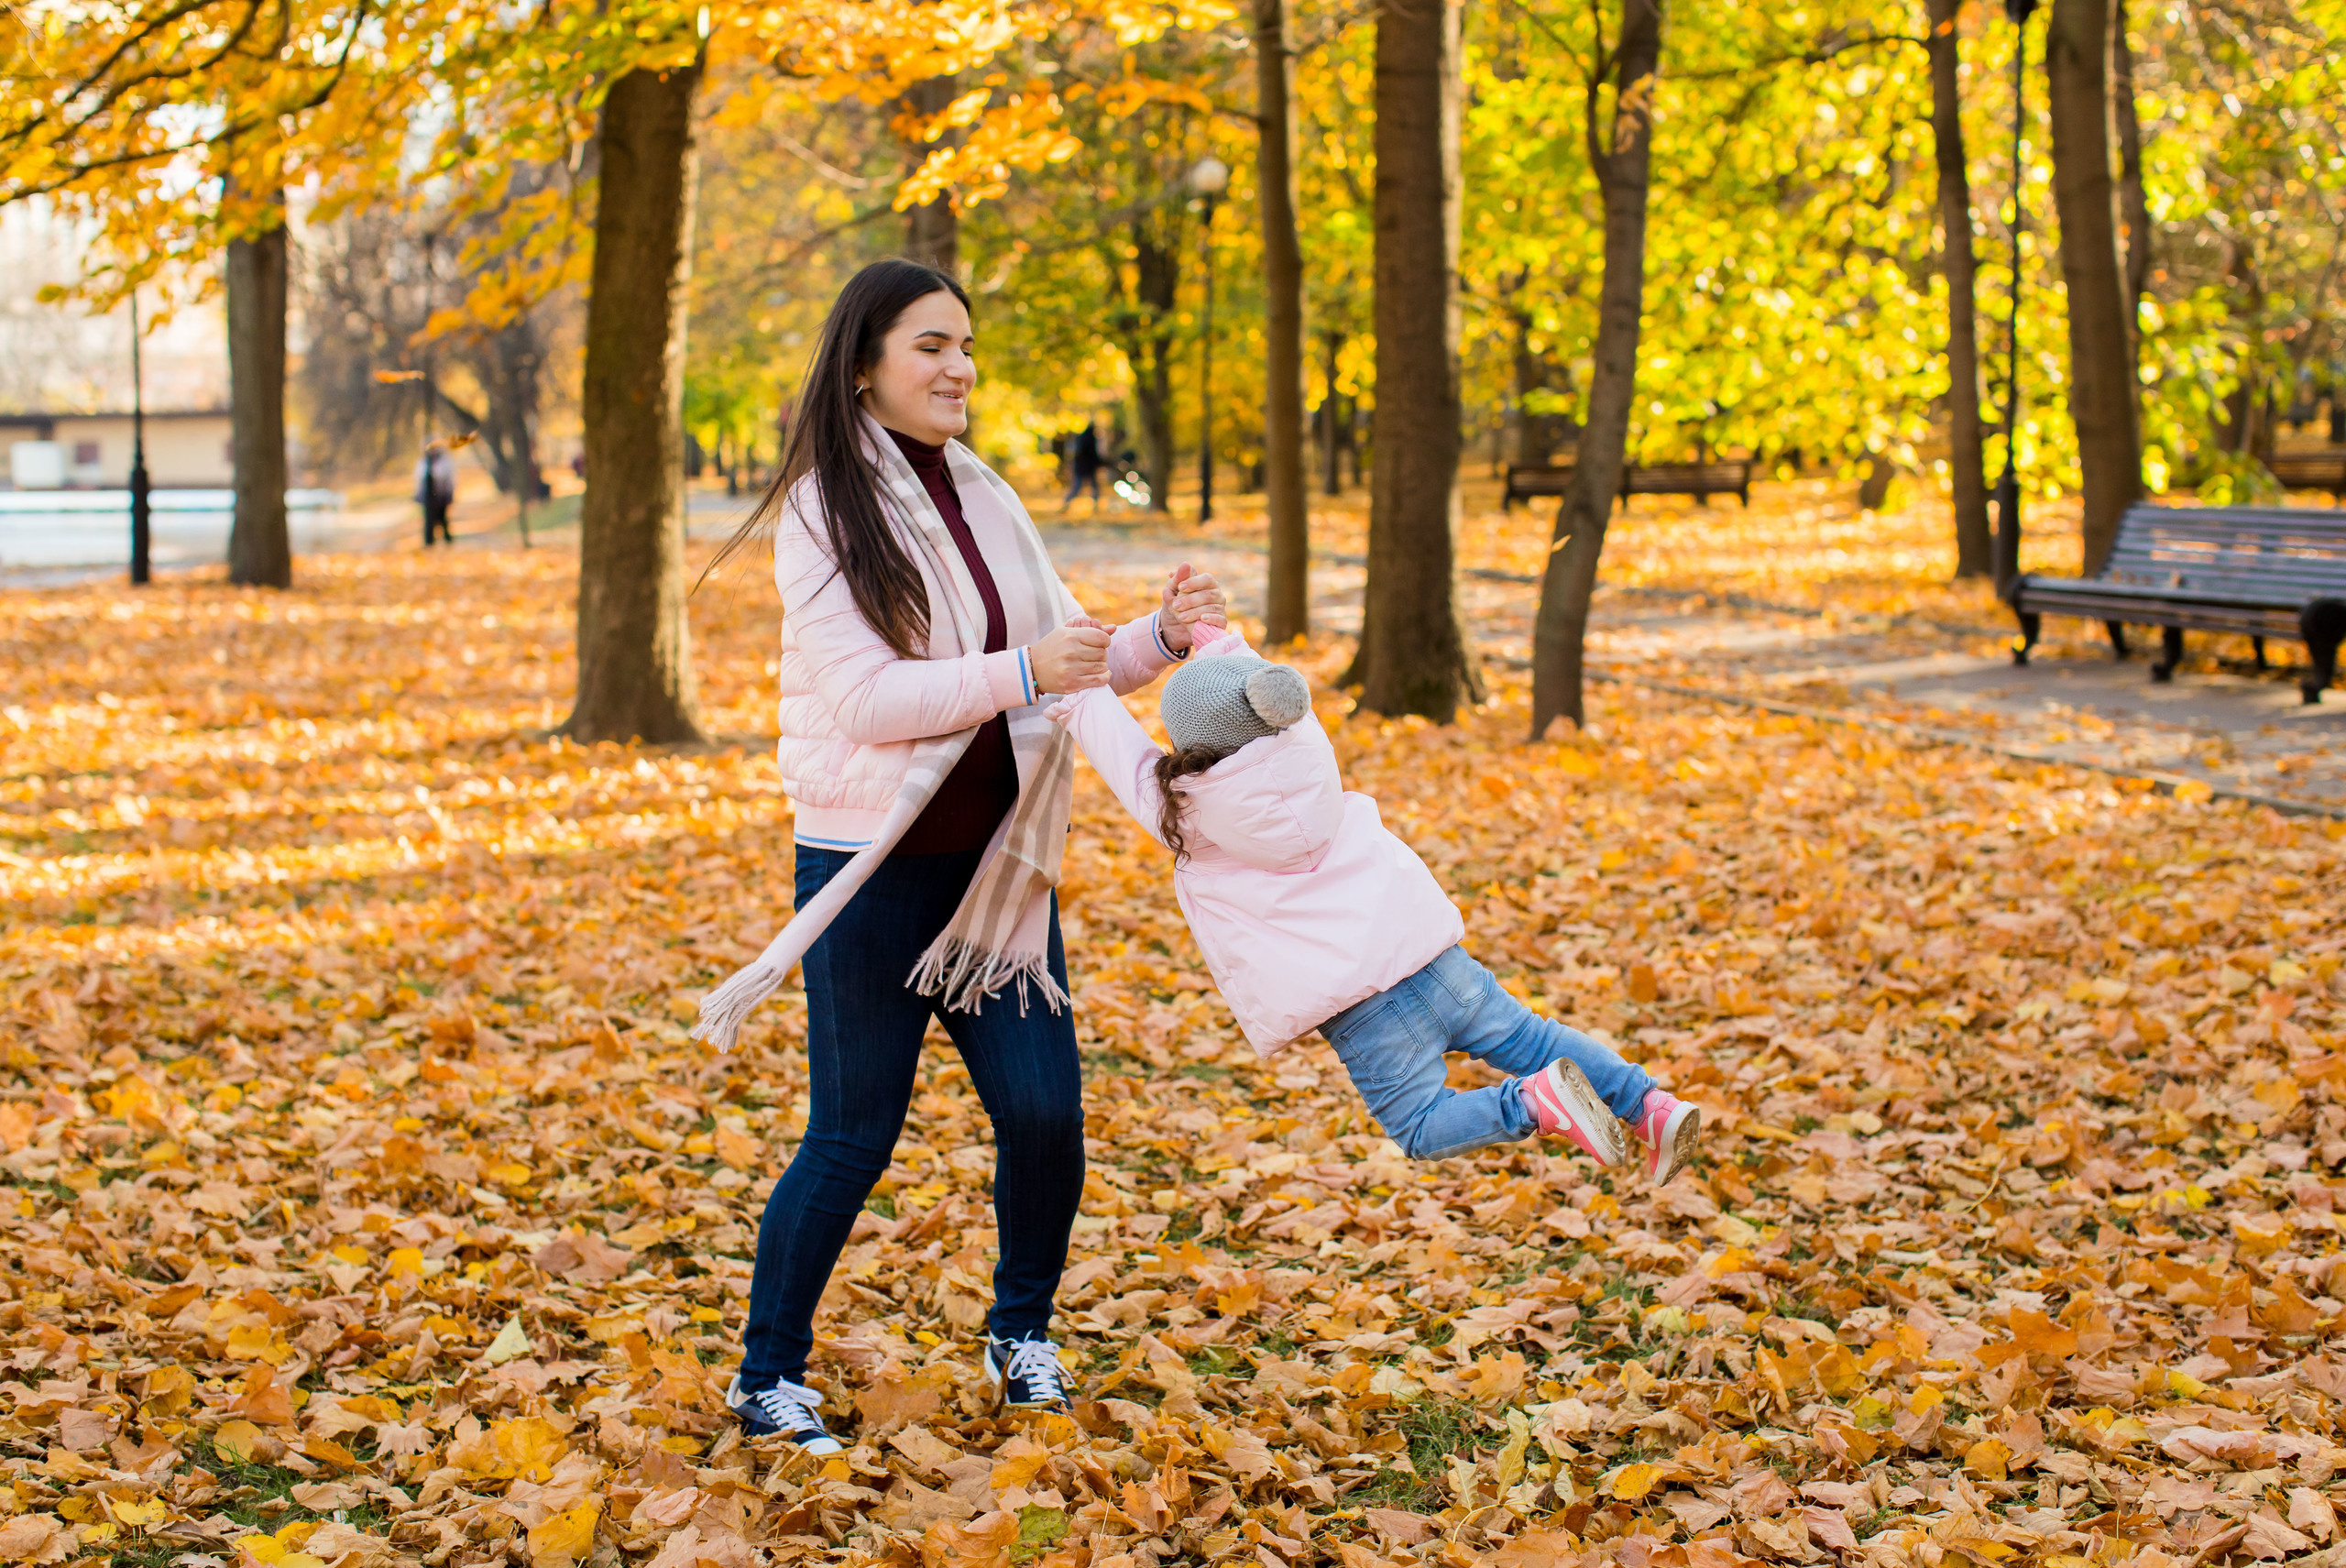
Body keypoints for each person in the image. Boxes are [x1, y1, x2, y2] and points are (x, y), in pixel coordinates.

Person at [690, 259, 1228, 1453]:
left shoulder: (983, 492)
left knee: (1045, 1114)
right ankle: (766, 1375)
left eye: (966, 345)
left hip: (998, 869)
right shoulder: (824, 511)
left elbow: (1066, 656)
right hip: (873, 874)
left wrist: (1162, 635)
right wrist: (1028, 669)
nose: (959, 368)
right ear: (865, 364)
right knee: (852, 1136)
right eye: (931, 345)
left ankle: (1020, 1332)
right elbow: (872, 700)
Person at [1047, 630, 1703, 1179]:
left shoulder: (1188, 810)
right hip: (1428, 956)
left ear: (1190, 749)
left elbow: (1126, 759)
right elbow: (1257, 687)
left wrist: (1077, 692)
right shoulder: (1308, 743)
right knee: (1533, 1036)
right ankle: (1651, 1108)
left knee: (1419, 1125)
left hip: (1360, 1006)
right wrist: (1218, 636)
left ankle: (1532, 1104)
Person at [414, 441, 455, 546]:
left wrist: (450, 492)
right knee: (428, 520)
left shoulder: (444, 461)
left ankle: (448, 541)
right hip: (427, 495)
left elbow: (450, 478)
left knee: (443, 518)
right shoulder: (423, 462)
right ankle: (429, 543)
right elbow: (418, 480)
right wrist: (417, 494)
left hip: (441, 494)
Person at [1061, 420, 1102, 513]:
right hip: (1086, 467)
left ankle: (1067, 503)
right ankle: (1095, 505)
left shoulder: (1081, 438)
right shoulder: (1090, 438)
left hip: (1081, 467)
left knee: (1079, 487)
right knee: (1084, 487)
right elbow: (1092, 453)